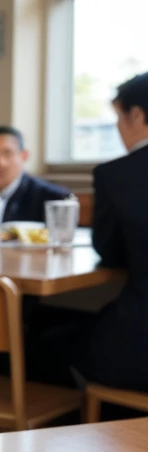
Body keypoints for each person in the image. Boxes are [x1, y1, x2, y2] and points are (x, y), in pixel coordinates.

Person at [75, 72, 148, 392]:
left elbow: (110, 251)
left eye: (119, 116)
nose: (119, 127)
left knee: (44, 336)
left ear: (137, 114)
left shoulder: (116, 175)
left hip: (140, 350)